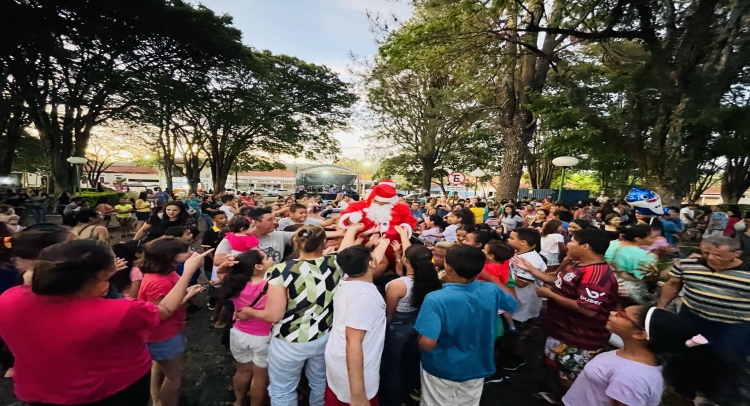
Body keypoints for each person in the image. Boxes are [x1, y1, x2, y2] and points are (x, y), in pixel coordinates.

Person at [0, 239, 210, 406]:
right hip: (110, 391)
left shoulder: (9, 299)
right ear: (103, 274)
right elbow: (163, 310)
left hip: (40, 390)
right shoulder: (118, 311)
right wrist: (189, 270)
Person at [234, 225, 365, 406]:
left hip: (289, 340)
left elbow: (274, 315)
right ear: (324, 243)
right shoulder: (335, 263)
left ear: (296, 243)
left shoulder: (280, 271)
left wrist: (249, 312)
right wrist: (353, 229)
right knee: (319, 381)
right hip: (323, 336)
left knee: (283, 388)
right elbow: (346, 249)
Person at [564, 305, 750, 406]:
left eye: (621, 314)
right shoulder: (640, 356)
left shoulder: (630, 377)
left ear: (640, 334)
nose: (612, 313)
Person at [513, 229, 619, 399]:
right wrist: (531, 269)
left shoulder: (596, 276)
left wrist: (551, 295)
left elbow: (588, 309)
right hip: (561, 331)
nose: (568, 244)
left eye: (573, 241)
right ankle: (558, 396)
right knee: (557, 368)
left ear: (585, 246)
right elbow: (557, 281)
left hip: (580, 337)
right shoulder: (577, 263)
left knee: (570, 375)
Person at [414, 245, 518, 405]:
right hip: (478, 364)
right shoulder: (491, 290)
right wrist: (491, 278)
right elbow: (512, 304)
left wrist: (419, 342)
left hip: (442, 366)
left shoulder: (435, 299)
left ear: (448, 268)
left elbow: (427, 343)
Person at [137, 236, 206, 406]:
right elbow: (161, 313)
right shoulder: (158, 282)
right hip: (163, 335)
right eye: (186, 251)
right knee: (174, 377)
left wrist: (185, 291)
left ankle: (156, 400)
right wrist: (188, 295)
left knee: (159, 367)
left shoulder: (167, 272)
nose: (191, 253)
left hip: (167, 332)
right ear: (172, 257)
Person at [658, 237, 750, 364]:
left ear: (736, 253)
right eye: (706, 253)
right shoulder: (688, 264)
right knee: (685, 353)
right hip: (692, 317)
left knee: (729, 359)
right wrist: (661, 307)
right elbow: (672, 285)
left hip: (734, 325)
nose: (710, 258)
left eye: (718, 255)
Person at [324, 242, 390, 406]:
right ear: (370, 263)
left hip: (339, 360)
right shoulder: (365, 296)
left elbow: (374, 257)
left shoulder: (346, 278)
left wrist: (384, 241)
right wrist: (358, 394)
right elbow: (353, 341)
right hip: (354, 372)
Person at [381, 242, 441, 405]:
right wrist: (398, 256)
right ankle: (411, 389)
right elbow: (404, 274)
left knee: (393, 365)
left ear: (407, 260)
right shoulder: (432, 278)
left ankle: (393, 398)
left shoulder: (397, 285)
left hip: (397, 328)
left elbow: (389, 314)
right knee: (410, 360)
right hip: (417, 324)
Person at [221, 250, 275, 406]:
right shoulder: (272, 285)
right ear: (258, 266)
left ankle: (238, 401)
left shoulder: (234, 283)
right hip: (262, 336)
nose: (270, 258)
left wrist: (226, 265)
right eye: (266, 258)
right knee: (260, 377)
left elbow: (220, 273)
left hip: (238, 333)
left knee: (243, 370)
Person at [605, 224, 658, 305]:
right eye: (651, 237)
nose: (655, 239)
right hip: (633, 291)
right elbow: (648, 277)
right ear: (638, 239)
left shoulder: (611, 244)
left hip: (610, 284)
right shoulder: (646, 256)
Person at [507, 227, 547, 328]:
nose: (508, 239)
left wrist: (503, 272)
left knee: (520, 329)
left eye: (512, 238)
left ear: (523, 242)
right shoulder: (518, 253)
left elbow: (522, 283)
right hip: (515, 302)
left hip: (523, 305)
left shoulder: (531, 259)